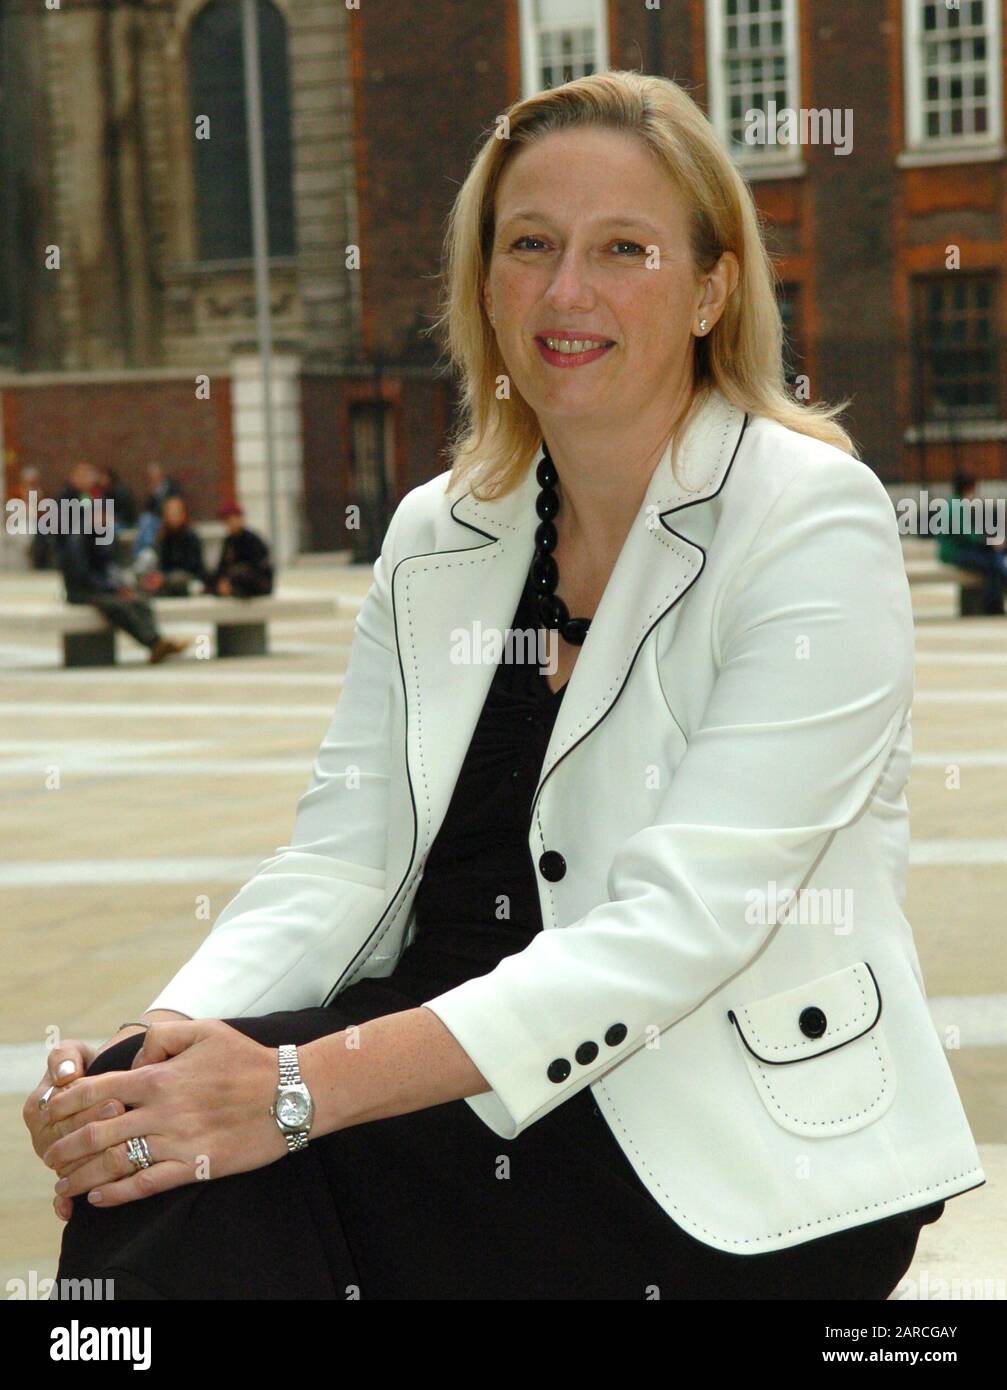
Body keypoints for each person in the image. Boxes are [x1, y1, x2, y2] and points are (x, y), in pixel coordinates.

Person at [29, 70, 981, 1301]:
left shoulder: (808, 519)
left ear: (710, 287)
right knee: (150, 1167)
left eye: (622, 248)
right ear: (485, 282)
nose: (565, 291)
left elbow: (678, 926)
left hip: (712, 1113)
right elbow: (338, 864)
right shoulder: (439, 532)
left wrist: (291, 1090)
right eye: (528, 244)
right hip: (426, 1059)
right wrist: (149, 1059)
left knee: (204, 1192)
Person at [52, 462, 190, 664]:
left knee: (138, 599)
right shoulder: (77, 537)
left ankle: (156, 642)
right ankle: (154, 643)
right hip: (81, 590)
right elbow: (82, 575)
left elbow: (109, 566)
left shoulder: (100, 538)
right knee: (119, 605)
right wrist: (112, 589)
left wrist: (119, 586)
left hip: (97, 587)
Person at [937, 471, 1007, 613]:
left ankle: (993, 604)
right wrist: (991, 543)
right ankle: (992, 606)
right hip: (955, 553)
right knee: (994, 564)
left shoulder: (953, 503)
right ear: (968, 488)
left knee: (995, 561)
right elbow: (968, 536)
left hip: (957, 550)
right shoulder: (956, 507)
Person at [137, 495, 208, 598]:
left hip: (188, 579)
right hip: (166, 580)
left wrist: (166, 577)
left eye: (176, 512)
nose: (173, 516)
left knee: (179, 580)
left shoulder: (192, 538)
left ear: (184, 515)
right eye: (170, 513)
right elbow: (161, 564)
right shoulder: (163, 538)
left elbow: (193, 567)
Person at [204, 503, 274, 597]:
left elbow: (256, 568)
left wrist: (231, 580)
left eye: (232, 519)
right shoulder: (229, 541)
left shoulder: (253, 540)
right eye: (227, 521)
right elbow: (222, 567)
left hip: (254, 583)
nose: (231, 523)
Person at [131, 462, 182, 565]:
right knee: (145, 519)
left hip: (168, 517)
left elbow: (177, 502)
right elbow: (147, 508)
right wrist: (152, 494)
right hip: (155, 519)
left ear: (160, 474)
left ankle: (148, 550)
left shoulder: (171, 486)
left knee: (147, 521)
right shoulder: (153, 489)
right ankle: (142, 552)